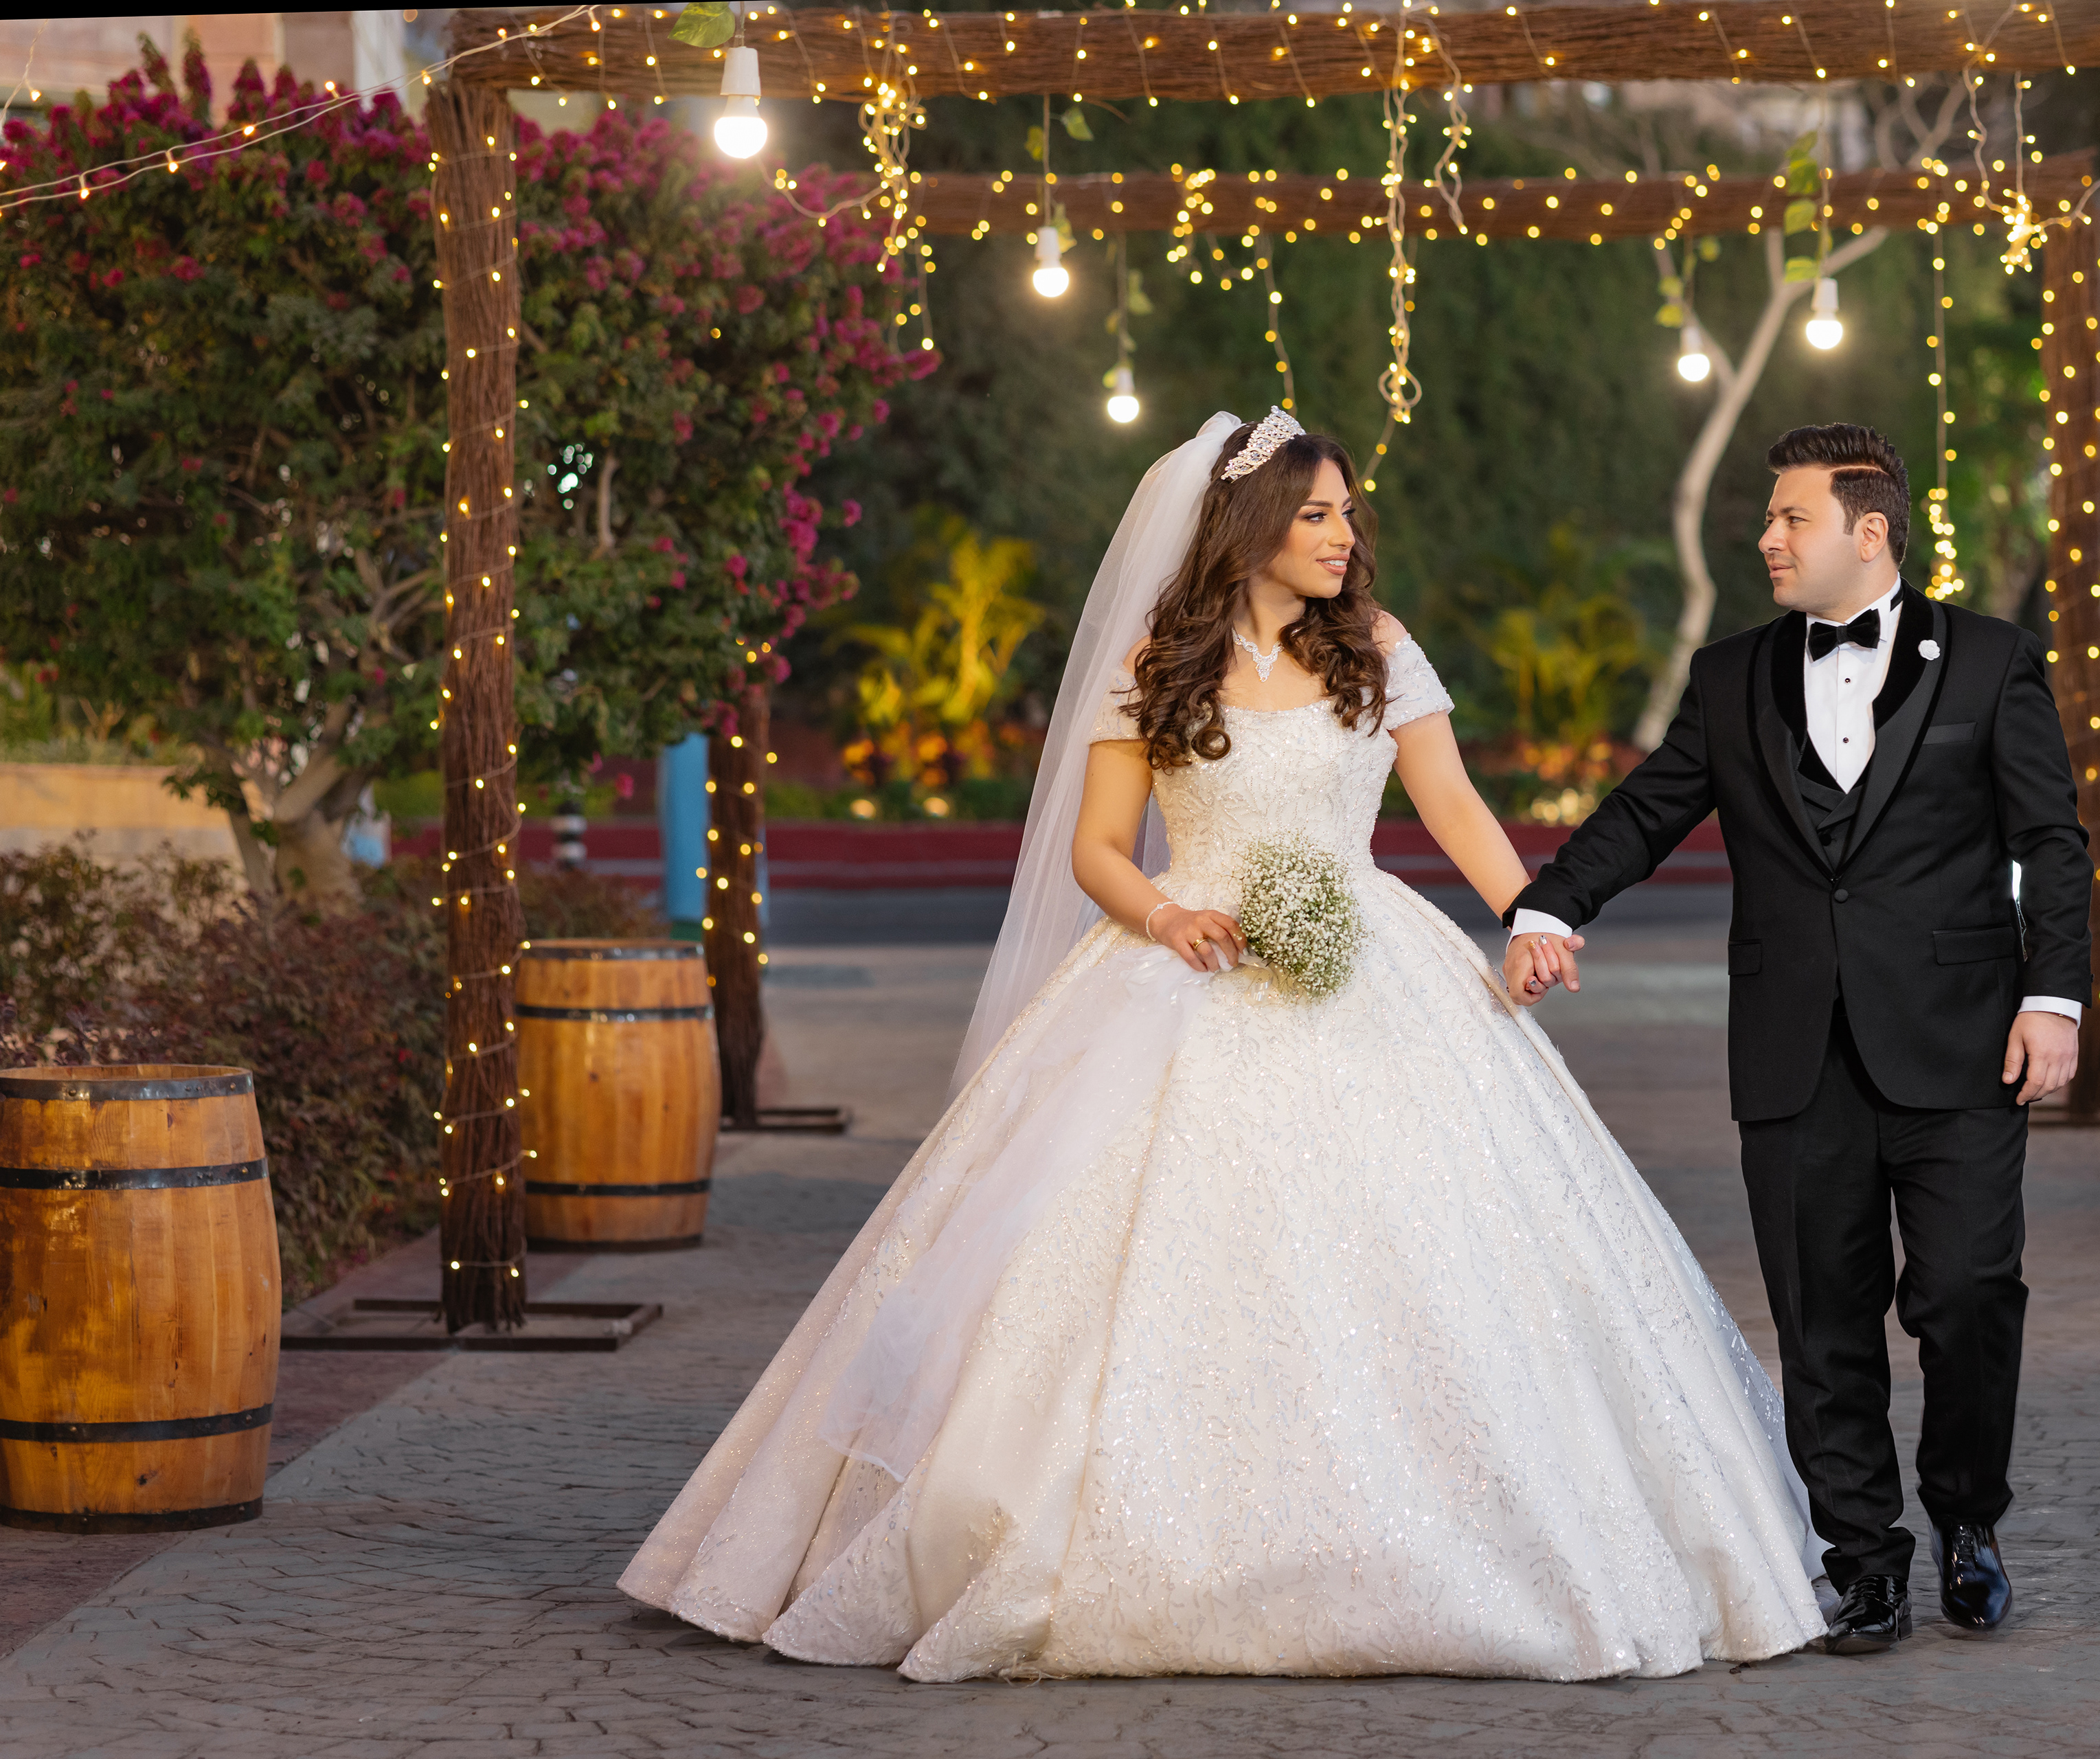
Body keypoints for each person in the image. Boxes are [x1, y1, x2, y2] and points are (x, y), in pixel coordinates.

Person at [618, 409, 1830, 1680]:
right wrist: (1169, 912)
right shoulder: (1160, 659)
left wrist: (1532, 914)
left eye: (1349, 514)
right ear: (1249, 528)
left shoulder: (1380, 649)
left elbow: (1453, 801)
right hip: (1179, 968)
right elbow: (1097, 846)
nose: (1343, 536)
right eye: (1316, 516)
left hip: (1375, 966)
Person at [1506, 423, 2091, 1654]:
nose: (1768, 539)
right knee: (1822, 1316)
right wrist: (1552, 902)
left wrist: (2057, 998)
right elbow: (1650, 806)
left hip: (1962, 1043)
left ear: (1866, 531)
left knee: (1970, 1295)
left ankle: (1968, 1517)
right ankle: (1864, 1560)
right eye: (1768, 521)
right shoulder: (1730, 678)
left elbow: (2053, 843)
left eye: (1789, 519)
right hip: (1792, 1047)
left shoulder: (1989, 662)